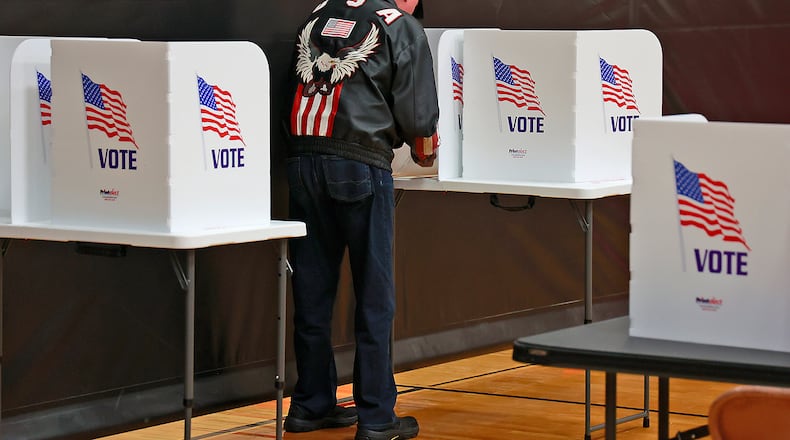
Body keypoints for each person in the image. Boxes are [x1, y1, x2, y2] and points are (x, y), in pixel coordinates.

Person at [282, 0, 439, 439]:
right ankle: (375, 417)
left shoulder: (317, 15)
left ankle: (310, 405)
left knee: (311, 291)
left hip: (302, 160)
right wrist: (427, 151)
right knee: (374, 294)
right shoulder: (399, 26)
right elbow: (419, 118)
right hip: (359, 165)